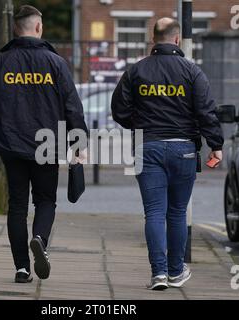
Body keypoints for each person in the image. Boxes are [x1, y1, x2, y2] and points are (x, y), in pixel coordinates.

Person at [0, 5, 87, 283]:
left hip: (11, 146)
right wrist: (79, 143)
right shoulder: (56, 63)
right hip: (47, 145)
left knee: (17, 206)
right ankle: (40, 239)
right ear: (38, 28)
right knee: (46, 200)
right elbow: (72, 108)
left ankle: (22, 268)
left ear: (15, 29)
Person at [111, 18, 224, 290]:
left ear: (154, 39)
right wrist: (215, 144)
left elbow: (119, 111)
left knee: (154, 213)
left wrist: (140, 125)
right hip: (183, 148)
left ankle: (158, 274)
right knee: (176, 212)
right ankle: (176, 272)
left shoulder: (136, 71)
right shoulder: (192, 71)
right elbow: (206, 112)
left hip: (146, 147)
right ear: (177, 40)